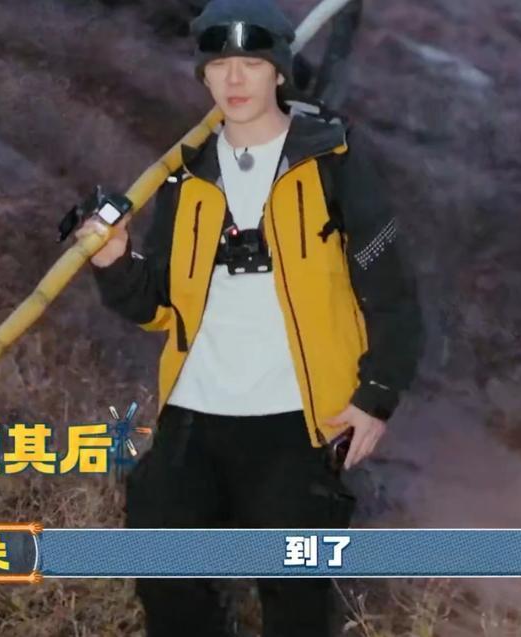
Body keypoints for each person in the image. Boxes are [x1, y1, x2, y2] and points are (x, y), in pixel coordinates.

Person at [75, 0, 423, 634]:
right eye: (219, 65)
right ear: (204, 76)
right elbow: (159, 307)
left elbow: (394, 295)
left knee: (294, 606)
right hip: (193, 415)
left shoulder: (332, 162)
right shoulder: (186, 176)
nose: (234, 79)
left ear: (279, 71)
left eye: (252, 64)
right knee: (165, 579)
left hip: (299, 423)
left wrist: (375, 397)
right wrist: (114, 261)